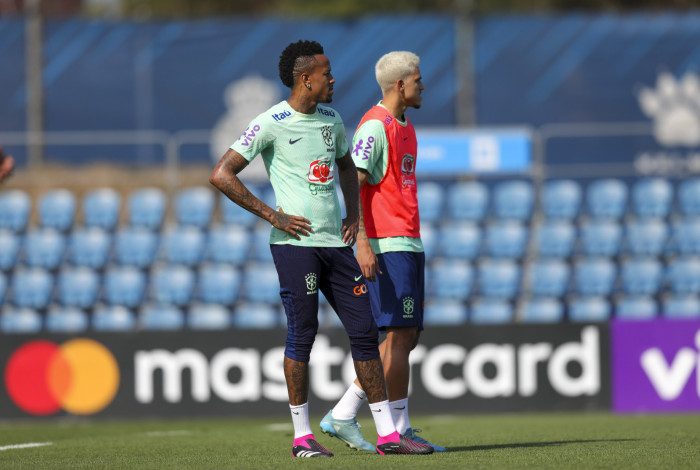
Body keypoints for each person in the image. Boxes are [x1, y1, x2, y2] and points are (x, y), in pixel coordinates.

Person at [209, 40, 433, 458]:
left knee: (365, 332)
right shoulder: (270, 122)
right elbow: (222, 173)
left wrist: (353, 218)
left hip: (337, 244)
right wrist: (272, 215)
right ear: (305, 79)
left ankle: (387, 435)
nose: (333, 79)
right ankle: (301, 437)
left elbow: (348, 167)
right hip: (296, 246)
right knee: (303, 334)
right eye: (326, 74)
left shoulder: (332, 119)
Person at [320, 51, 446, 452]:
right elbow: (352, 184)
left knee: (406, 338)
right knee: (398, 336)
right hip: (386, 245)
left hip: (408, 242)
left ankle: (350, 414)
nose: (423, 86)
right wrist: (361, 243)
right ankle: (393, 429)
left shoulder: (405, 125)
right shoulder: (375, 127)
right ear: (401, 84)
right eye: (418, 80)